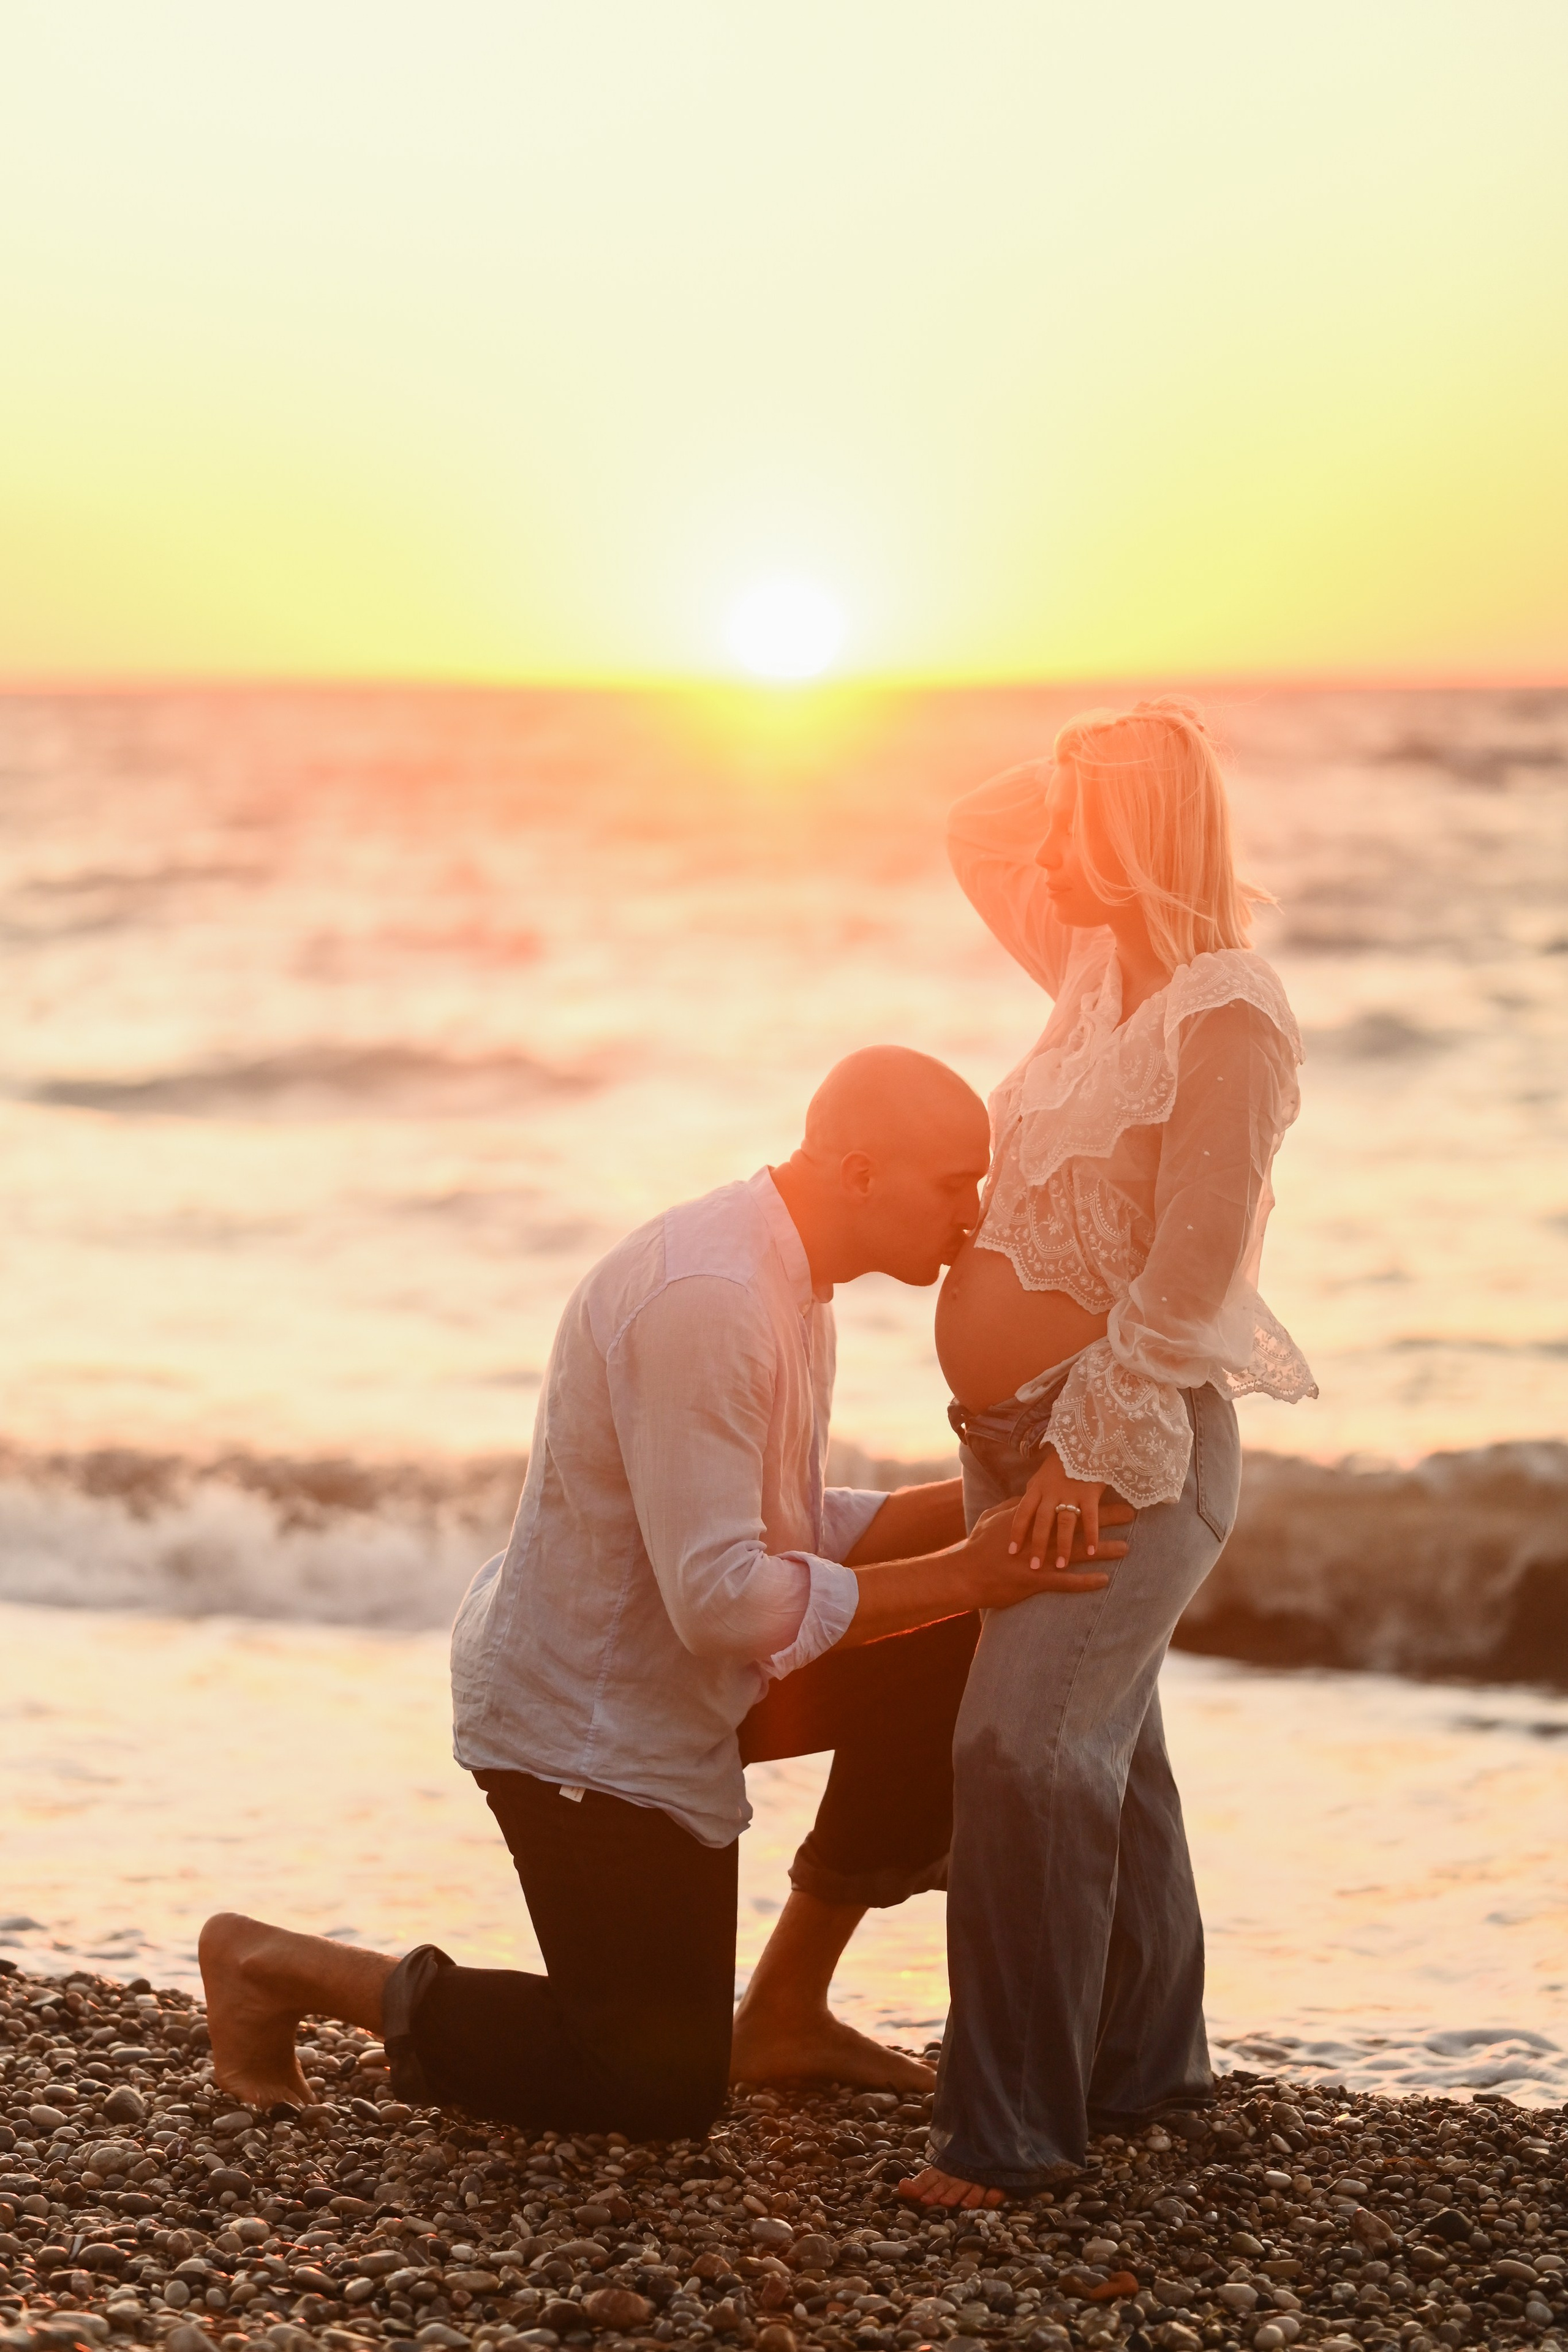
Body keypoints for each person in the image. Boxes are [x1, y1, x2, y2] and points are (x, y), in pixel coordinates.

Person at [200, 1046, 1128, 2139]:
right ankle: (274, 1967)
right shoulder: (712, 1296)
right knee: (651, 2087)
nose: (973, 1215)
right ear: (862, 1173)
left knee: (952, 1637)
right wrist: (971, 1567)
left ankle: (784, 2006)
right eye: (953, 1183)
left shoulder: (792, 1280)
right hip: (586, 1731)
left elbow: (779, 1527)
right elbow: (726, 1602)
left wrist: (986, 1509)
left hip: (682, 1685)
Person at [903, 701, 1317, 2210]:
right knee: (1107, 1754)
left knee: (1019, 1752)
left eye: (1086, 819)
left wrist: (1084, 1456)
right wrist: (1097, 754)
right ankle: (1148, 2064)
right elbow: (973, 826)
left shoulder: (1226, 1012)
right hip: (1008, 1445)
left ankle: (1007, 2137)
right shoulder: (1085, 974)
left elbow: (1188, 1275)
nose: (1051, 845)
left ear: (1133, 833)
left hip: (1123, 1453)